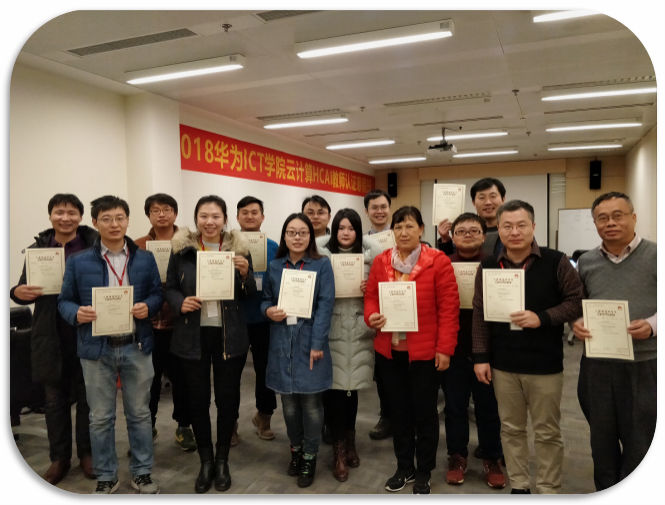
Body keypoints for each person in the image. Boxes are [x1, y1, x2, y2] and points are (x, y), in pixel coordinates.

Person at [472, 200, 583, 494]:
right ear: (499, 229)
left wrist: (542, 317)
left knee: (547, 431)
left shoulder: (556, 261)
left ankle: (548, 489)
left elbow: (576, 302)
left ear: (533, 227)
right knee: (511, 429)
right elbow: (480, 313)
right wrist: (480, 356)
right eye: (507, 226)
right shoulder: (488, 265)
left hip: (545, 365)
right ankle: (520, 486)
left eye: (521, 225)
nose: (515, 232)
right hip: (503, 364)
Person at [58, 195, 162, 494]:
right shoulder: (78, 261)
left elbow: (157, 293)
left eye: (119, 218)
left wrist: (148, 306)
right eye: (106, 219)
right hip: (96, 349)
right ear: (94, 222)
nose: (114, 224)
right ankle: (106, 474)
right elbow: (64, 301)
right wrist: (76, 313)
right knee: (100, 418)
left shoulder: (144, 258)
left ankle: (142, 472)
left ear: (127, 220)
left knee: (140, 414)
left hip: (136, 345)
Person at [364, 206, 460, 494]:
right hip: (390, 351)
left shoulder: (438, 261)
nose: (403, 232)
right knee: (398, 411)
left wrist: (445, 349)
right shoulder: (382, 261)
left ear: (421, 229)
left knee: (425, 413)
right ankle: (404, 466)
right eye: (398, 227)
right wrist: (371, 316)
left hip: (425, 353)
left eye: (409, 226)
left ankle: (424, 470)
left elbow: (449, 309)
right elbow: (371, 297)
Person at [165, 195, 256, 493]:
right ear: (196, 219)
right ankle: (205, 461)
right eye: (203, 216)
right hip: (193, 335)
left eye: (216, 216)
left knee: (227, 400)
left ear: (225, 220)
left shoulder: (239, 250)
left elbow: (249, 293)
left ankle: (222, 459)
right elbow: (170, 287)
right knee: (198, 399)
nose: (209, 221)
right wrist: (180, 303)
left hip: (230, 335)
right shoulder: (182, 251)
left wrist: (245, 274)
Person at [10, 193, 98, 485]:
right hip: (50, 334)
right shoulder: (38, 250)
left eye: (72, 212)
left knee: (88, 398)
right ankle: (59, 458)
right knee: (54, 400)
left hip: (86, 330)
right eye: (59, 212)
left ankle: (87, 453)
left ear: (80, 217)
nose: (65, 218)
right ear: (50, 216)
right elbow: (23, 288)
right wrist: (17, 292)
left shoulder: (93, 246)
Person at [572, 192, 656, 491]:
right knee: (601, 439)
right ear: (595, 223)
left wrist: (652, 326)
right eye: (602, 218)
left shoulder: (656, 255)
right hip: (598, 363)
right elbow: (577, 303)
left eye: (618, 216)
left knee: (641, 439)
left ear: (633, 217)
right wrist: (576, 322)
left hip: (644, 362)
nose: (610, 223)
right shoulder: (587, 261)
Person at [260, 213, 335, 488]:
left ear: (310, 236)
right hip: (282, 341)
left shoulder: (321, 264)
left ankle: (310, 457)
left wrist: (317, 343)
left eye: (303, 232)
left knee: (312, 405)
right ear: (284, 236)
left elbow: (326, 305)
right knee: (289, 406)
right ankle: (296, 450)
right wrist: (268, 311)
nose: (297, 237)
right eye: (291, 232)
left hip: (308, 340)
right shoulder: (274, 265)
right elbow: (265, 299)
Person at [318, 208, 383, 482]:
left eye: (352, 228)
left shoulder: (370, 259)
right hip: (331, 329)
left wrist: (370, 289)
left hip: (358, 330)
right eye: (341, 227)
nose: (346, 233)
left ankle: (350, 441)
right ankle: (338, 450)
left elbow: (382, 293)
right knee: (333, 392)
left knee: (351, 391)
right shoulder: (322, 257)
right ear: (334, 230)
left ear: (359, 232)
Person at [441, 213, 505, 489]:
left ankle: (492, 457)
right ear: (452, 237)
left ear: (483, 236)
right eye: (461, 231)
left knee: (488, 407)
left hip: (488, 349)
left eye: (474, 231)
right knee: (454, 407)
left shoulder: (496, 265)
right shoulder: (443, 263)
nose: (467, 235)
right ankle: (457, 456)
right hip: (452, 347)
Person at [134, 193, 195, 452]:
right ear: (148, 215)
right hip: (148, 324)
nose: (161, 214)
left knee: (183, 380)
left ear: (175, 213)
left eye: (167, 209)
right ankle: (148, 426)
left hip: (181, 322)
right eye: (155, 210)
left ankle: (184, 426)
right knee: (148, 381)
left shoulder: (189, 244)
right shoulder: (138, 246)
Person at [236, 196, 279, 440]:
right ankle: (230, 424)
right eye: (245, 212)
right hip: (236, 319)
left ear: (263, 217)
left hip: (265, 318)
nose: (250, 216)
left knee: (265, 371)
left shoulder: (274, 247)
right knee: (231, 374)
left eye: (255, 212)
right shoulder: (227, 246)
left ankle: (264, 416)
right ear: (237, 217)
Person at [363, 189, 394, 441]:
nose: (379, 211)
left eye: (383, 206)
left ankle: (406, 416)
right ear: (367, 211)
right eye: (374, 207)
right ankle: (387, 415)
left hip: (401, 308)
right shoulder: (361, 242)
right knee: (382, 370)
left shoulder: (402, 235)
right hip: (374, 310)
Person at [437, 177, 506, 257]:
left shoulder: (511, 231)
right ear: (473, 202)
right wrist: (445, 240)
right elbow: (451, 260)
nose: (488, 202)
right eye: (482, 198)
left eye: (493, 196)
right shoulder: (463, 231)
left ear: (503, 199)